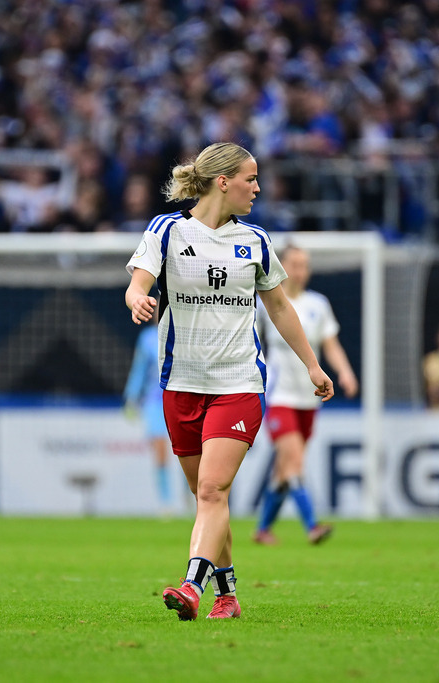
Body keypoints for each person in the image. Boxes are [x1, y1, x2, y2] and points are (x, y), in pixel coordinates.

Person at [124, 142, 333, 621]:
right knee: (207, 498)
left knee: (214, 491)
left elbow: (280, 306)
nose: (258, 188)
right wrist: (138, 297)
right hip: (180, 384)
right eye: (250, 179)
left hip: (239, 384)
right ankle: (228, 593)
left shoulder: (256, 241)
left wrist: (312, 365)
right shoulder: (167, 230)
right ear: (223, 182)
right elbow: (139, 279)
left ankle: (191, 587)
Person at [252, 245, 358, 546]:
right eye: (295, 264)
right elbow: (253, 343)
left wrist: (345, 371)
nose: (301, 270)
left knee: (285, 471)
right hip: (279, 397)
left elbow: (330, 344)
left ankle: (262, 530)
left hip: (308, 399)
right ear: (282, 267)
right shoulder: (267, 303)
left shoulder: (318, 304)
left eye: (305, 264)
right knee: (294, 461)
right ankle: (312, 525)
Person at [122, 320, 176, 516]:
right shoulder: (147, 338)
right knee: (161, 452)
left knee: (191, 452)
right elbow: (140, 369)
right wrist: (131, 397)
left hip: (181, 398)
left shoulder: (185, 332)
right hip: (155, 402)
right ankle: (166, 503)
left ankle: (193, 498)